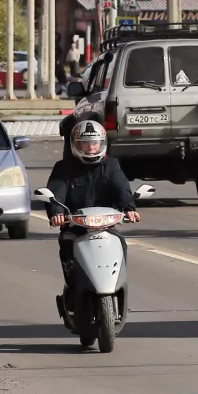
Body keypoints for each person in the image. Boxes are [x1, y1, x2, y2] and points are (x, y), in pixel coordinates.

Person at [44, 120, 138, 285]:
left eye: (95, 143)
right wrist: (57, 212)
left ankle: (117, 284)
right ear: (75, 144)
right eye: (85, 143)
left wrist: (129, 207)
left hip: (105, 226)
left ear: (102, 143)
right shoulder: (63, 168)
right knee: (67, 244)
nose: (91, 147)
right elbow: (56, 192)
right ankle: (72, 289)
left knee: (121, 243)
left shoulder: (111, 165)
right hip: (75, 227)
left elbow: (120, 186)